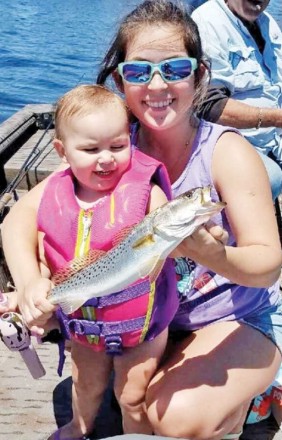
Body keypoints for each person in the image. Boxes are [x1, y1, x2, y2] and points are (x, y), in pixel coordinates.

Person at [2, 1, 282, 439]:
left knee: (175, 418)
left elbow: (267, 265)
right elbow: (19, 217)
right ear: (120, 80)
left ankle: (247, 402)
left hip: (231, 320)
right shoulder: (113, 149)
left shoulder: (227, 153)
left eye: (175, 69)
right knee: (131, 402)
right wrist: (31, 284)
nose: (157, 85)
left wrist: (214, 254)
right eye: (138, 72)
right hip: (147, 322)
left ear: (200, 75)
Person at [9, 83, 180, 440]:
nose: (106, 158)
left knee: (132, 396)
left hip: (141, 327)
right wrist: (29, 283)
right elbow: (14, 223)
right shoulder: (53, 189)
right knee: (85, 386)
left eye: (118, 146)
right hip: (85, 326)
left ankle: (135, 435)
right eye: (90, 149)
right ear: (62, 151)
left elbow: (172, 233)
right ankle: (79, 426)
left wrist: (201, 235)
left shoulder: (147, 191)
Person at [191, 0, 282, 200]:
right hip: (234, 142)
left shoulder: (268, 24)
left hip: (275, 141)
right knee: (271, 178)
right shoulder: (207, 23)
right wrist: (276, 118)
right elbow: (210, 107)